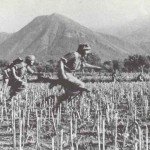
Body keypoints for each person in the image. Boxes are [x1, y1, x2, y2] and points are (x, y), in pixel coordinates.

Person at [53, 43, 103, 111]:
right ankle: (76, 103)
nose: (88, 53)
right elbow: (61, 61)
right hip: (65, 73)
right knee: (81, 85)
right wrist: (63, 74)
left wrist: (96, 67)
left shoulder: (80, 57)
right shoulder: (74, 54)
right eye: (87, 50)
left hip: (69, 74)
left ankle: (61, 100)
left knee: (76, 88)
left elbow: (84, 65)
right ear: (82, 50)